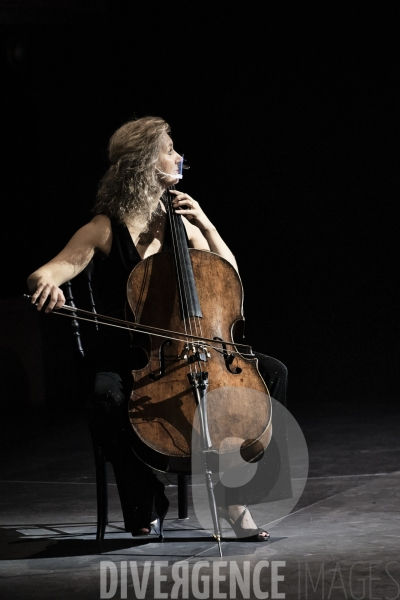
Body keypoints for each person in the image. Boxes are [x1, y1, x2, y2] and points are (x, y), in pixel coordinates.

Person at [27, 116, 289, 541]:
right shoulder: (104, 227)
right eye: (170, 149)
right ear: (146, 163)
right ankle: (145, 500)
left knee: (272, 373)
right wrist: (44, 284)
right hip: (128, 357)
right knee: (104, 396)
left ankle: (231, 494)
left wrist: (206, 225)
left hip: (192, 351)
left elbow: (230, 279)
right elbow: (53, 270)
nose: (179, 156)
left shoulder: (181, 223)